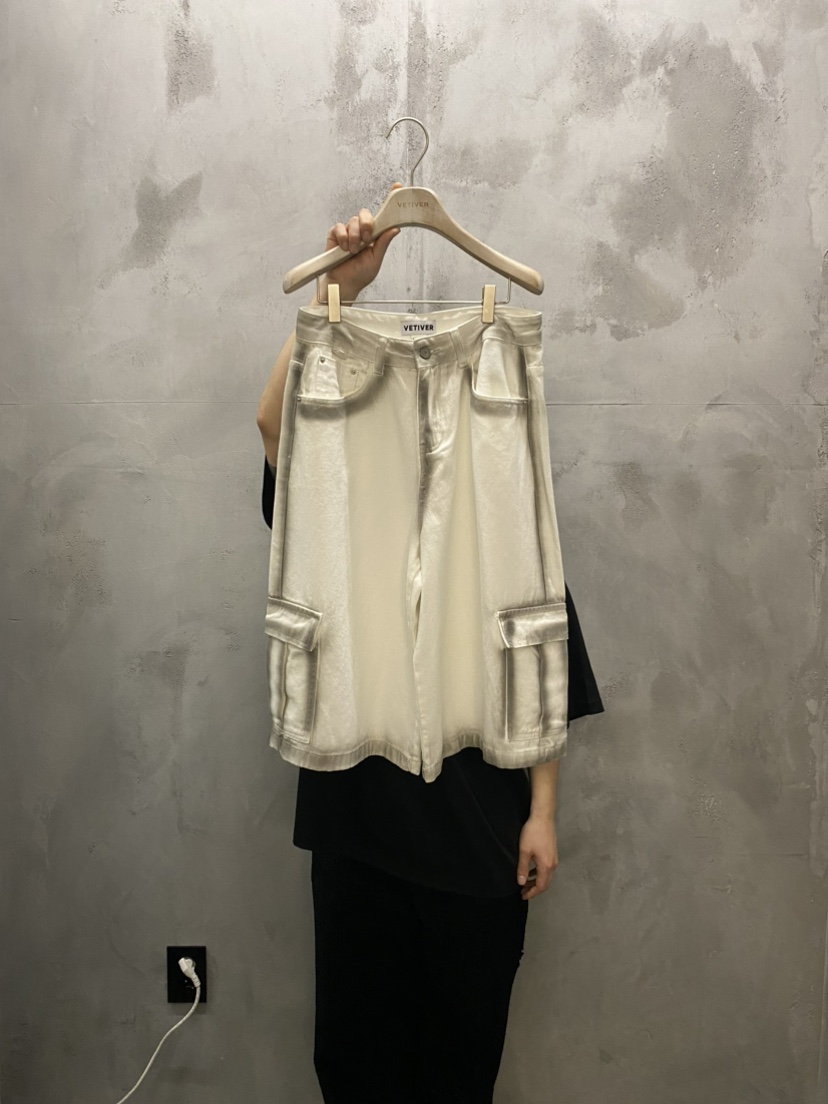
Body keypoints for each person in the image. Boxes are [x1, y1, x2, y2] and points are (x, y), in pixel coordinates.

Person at [256, 184, 605, 1104]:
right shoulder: (339, 488)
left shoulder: (500, 490)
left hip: (478, 831)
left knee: (459, 1068)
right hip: (360, 828)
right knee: (356, 1069)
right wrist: (340, 297)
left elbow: (543, 645)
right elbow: (273, 426)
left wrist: (542, 813)